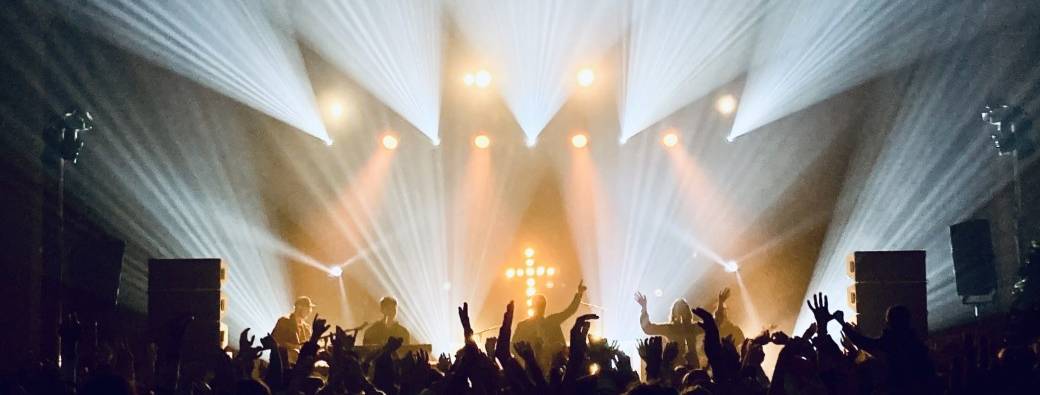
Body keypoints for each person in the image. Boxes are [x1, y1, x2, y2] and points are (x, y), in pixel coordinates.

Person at [513, 280, 587, 360]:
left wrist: (579, 294)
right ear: (533, 306)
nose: (540, 307)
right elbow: (513, 345)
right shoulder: (524, 325)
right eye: (539, 305)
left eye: (542, 305)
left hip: (551, 363)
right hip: (532, 365)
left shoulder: (551, 321)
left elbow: (570, 311)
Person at [635, 291, 703, 368]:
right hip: (675, 367)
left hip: (692, 367)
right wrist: (644, 309)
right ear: (674, 312)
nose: (681, 312)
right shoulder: (670, 328)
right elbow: (648, 328)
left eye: (683, 309)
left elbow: (713, 323)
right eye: (679, 309)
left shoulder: (693, 327)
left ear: (687, 311)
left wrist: (720, 307)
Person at [271, 296, 315, 363]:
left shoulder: (307, 328)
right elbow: (274, 340)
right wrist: (293, 346)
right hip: (282, 362)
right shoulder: (284, 321)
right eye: (307, 308)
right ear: (299, 307)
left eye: (309, 308)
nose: (309, 311)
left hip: (299, 364)